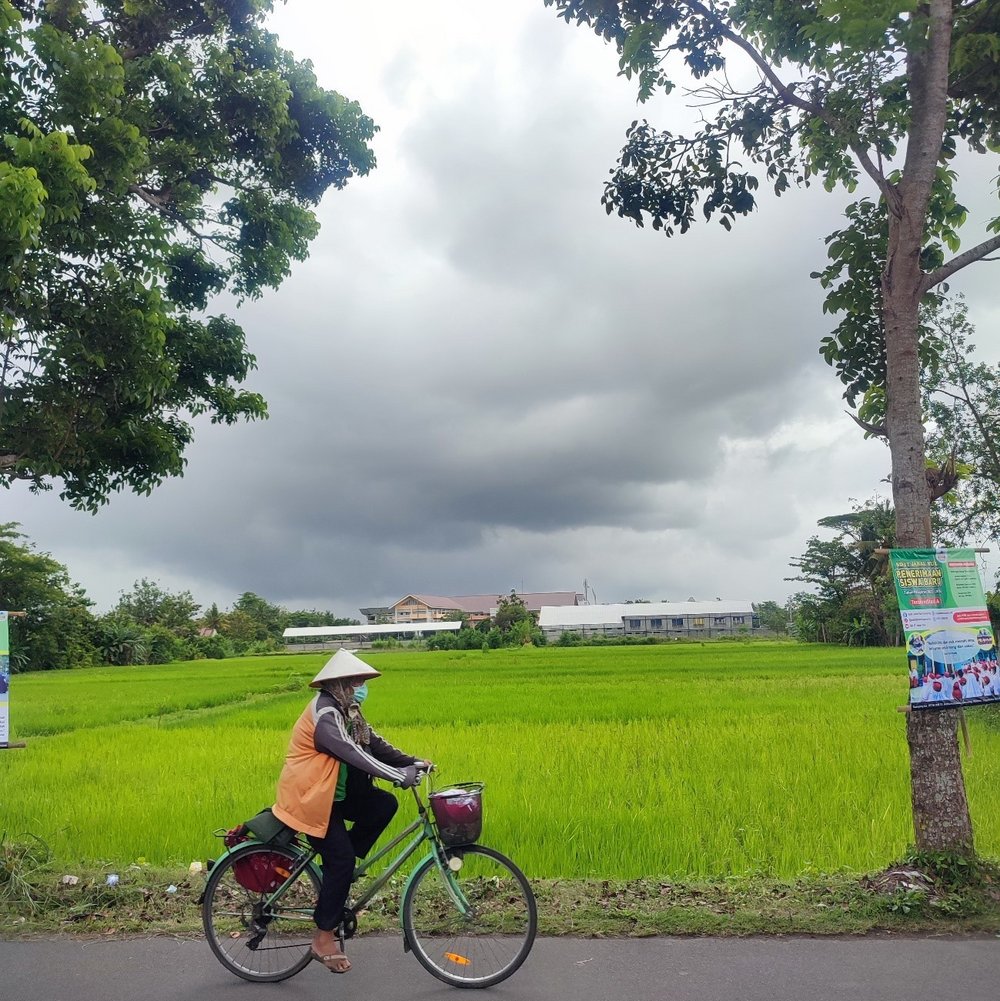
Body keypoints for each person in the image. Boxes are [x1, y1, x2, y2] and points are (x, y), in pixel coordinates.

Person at [271, 649, 432, 974]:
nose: (360, 685)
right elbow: (352, 753)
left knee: (383, 804)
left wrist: (412, 761)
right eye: (355, 680)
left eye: (361, 680)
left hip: (335, 796)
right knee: (341, 858)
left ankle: (338, 873)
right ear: (338, 683)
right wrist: (398, 776)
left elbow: (373, 744)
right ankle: (323, 937)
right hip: (311, 800)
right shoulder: (325, 714)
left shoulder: (350, 711)